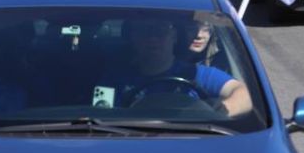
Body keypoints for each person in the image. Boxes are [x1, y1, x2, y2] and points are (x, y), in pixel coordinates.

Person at [94, 16, 252, 116]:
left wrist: (221, 111)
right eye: (144, 31)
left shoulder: (197, 74)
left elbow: (245, 93)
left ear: (174, 36)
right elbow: (100, 113)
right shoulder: (114, 78)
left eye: (161, 30)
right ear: (132, 37)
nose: (153, 38)